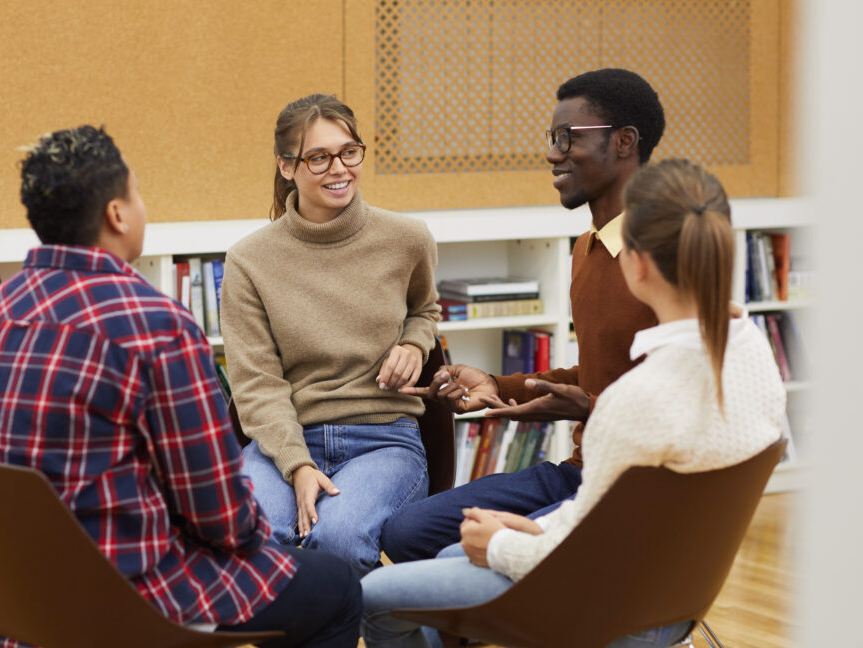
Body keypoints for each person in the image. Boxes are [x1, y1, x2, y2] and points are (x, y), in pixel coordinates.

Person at [0, 125, 361, 648]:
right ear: (117, 214)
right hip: (120, 601)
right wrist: (258, 540)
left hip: (10, 599)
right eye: (137, 193)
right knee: (336, 586)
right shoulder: (154, 324)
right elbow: (219, 512)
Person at [360, 158, 787, 648]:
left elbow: (584, 547)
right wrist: (526, 528)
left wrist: (500, 542)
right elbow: (598, 518)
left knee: (379, 593)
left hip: (609, 603)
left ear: (637, 265)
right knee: (445, 553)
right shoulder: (754, 353)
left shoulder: (637, 398)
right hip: (675, 590)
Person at [381, 68, 665, 562]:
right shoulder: (587, 249)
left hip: (642, 486)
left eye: (567, 138)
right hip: (581, 471)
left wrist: (589, 407)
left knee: (461, 555)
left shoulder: (671, 256)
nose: (553, 154)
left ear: (624, 142)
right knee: (407, 531)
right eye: (552, 138)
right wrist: (496, 385)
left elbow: (694, 403)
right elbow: (599, 374)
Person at [220, 93, 441, 576]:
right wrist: (298, 465)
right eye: (318, 157)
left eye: (349, 152)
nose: (339, 168)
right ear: (287, 167)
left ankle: (357, 618)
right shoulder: (249, 261)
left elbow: (424, 309)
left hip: (385, 437)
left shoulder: (407, 239)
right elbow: (257, 384)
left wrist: (413, 342)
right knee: (251, 538)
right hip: (287, 438)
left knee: (338, 540)